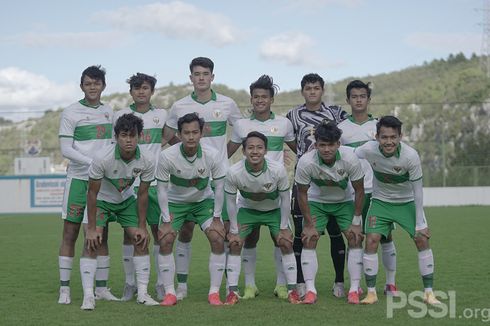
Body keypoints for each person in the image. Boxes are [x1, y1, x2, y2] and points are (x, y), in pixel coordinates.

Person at [162, 57, 242, 300]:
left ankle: (229, 287)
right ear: (191, 78)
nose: (201, 78)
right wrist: (185, 153)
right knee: (184, 232)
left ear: (212, 77)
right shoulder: (179, 106)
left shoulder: (227, 103)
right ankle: (182, 286)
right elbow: (166, 135)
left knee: (223, 233)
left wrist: (220, 158)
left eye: (205, 73)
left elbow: (240, 134)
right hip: (185, 181)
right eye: (196, 74)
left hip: (217, 178)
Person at [355, 116, 441, 305]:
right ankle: (371, 293)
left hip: (407, 203)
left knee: (422, 239)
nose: (389, 142)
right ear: (377, 137)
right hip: (381, 202)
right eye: (384, 137)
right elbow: (351, 153)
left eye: (393, 137)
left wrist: (421, 222)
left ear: (400, 136)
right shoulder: (368, 149)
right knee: (371, 240)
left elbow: (418, 190)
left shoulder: (410, 156)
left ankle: (429, 293)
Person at [227, 75, 296, 299]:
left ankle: (281, 285)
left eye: (264, 97)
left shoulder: (284, 124)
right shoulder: (241, 125)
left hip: (275, 196)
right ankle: (249, 286)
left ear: (271, 99)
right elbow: (226, 153)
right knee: (250, 239)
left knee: (282, 240)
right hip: (248, 197)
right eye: (256, 97)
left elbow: (299, 149)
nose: (260, 100)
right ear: (251, 99)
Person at [83, 113, 159, 310]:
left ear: (139, 136)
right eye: (124, 135)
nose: (128, 140)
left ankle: (142, 293)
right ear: (116, 137)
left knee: (141, 239)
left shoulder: (148, 159)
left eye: (132, 135)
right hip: (101, 202)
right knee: (92, 241)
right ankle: (89, 296)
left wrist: (142, 226)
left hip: (126, 202)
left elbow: (142, 194)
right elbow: (92, 193)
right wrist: (91, 228)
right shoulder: (102, 158)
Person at [57, 65, 118, 305]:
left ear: (103, 85)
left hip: (102, 183)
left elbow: (113, 144)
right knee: (70, 233)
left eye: (97, 83)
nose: (92, 87)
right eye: (88, 83)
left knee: (101, 235)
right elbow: (66, 149)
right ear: (81, 86)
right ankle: (64, 289)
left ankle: (101, 289)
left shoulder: (109, 112)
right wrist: (94, 163)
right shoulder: (70, 112)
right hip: (79, 181)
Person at [286, 73, 348, 297]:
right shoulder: (293, 115)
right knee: (301, 231)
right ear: (302, 91)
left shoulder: (336, 113)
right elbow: (290, 140)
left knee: (334, 230)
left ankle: (339, 281)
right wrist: (305, 156)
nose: (312, 92)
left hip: (331, 179)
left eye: (316, 88)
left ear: (322, 90)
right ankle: (301, 282)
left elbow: (346, 137)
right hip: (304, 177)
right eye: (308, 88)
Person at [157, 113, 227, 306]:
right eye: (186, 133)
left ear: (201, 133)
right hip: (175, 203)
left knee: (217, 237)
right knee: (165, 239)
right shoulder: (167, 156)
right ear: (179, 134)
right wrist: (165, 219)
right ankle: (171, 292)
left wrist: (217, 218)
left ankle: (214, 293)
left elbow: (220, 187)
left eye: (195, 132)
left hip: (202, 202)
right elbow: (161, 189)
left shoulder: (212, 154)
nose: (190, 136)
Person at [338, 80, 399, 296]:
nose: (358, 100)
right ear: (347, 100)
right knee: (354, 238)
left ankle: (390, 283)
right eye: (354, 96)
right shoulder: (341, 129)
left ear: (368, 99)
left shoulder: (379, 128)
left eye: (362, 96)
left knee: (385, 237)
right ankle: (355, 286)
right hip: (351, 193)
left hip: (377, 192)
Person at [225, 131, 301, 305]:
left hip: (274, 210)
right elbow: (230, 202)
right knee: (236, 243)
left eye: (259, 148)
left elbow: (284, 199)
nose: (255, 151)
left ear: (266, 151)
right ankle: (237, 291)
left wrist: (283, 227)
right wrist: (234, 230)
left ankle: (289, 289)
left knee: (286, 242)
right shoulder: (234, 172)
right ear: (243, 151)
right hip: (247, 210)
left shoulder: (277, 170)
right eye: (250, 148)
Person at [294, 121, 365, 304]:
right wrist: (309, 224)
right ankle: (310, 291)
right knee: (309, 238)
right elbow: (301, 193)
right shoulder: (306, 162)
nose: (326, 149)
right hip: (317, 202)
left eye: (331, 145)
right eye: (322, 145)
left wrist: (357, 221)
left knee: (355, 238)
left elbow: (359, 190)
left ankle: (354, 289)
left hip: (344, 202)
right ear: (316, 145)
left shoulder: (350, 158)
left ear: (338, 144)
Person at [113, 73, 168, 301]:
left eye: (145, 88)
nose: (141, 92)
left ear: (152, 91)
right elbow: (113, 144)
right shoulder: (121, 115)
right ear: (131, 92)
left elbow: (169, 139)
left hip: (154, 183)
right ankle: (130, 283)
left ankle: (160, 284)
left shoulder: (161, 115)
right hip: (129, 185)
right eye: (136, 88)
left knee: (157, 234)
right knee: (130, 235)